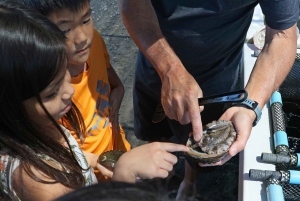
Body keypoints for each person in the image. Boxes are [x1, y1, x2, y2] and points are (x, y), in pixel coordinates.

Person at [0, 1, 189, 200]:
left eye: (64, 74)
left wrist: (95, 159)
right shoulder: (41, 184)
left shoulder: (39, 124)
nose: (70, 91)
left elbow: (70, 150)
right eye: (51, 93)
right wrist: (123, 177)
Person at [118, 0, 299, 199]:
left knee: (198, 143)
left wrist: (249, 105)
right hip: (153, 67)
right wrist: (168, 68)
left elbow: (282, 35)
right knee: (155, 130)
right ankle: (164, 176)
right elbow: (132, 3)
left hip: (215, 80)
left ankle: (188, 182)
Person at [17, 0, 131, 181]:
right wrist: (97, 163)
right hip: (88, 174)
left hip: (117, 145)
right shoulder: (45, 90)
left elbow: (110, 77)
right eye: (65, 30)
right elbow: (50, 152)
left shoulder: (95, 42)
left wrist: (119, 89)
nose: (82, 38)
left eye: (86, 20)